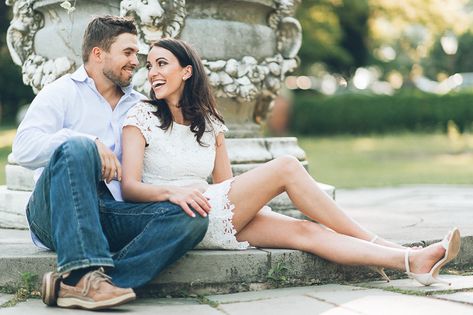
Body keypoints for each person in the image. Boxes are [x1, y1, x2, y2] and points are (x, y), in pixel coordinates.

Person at [121, 38, 461, 288]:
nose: (152, 72)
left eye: (161, 63)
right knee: (286, 165)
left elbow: (227, 188)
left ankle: (410, 260)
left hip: (215, 209)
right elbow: (130, 187)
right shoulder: (141, 117)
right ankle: (377, 241)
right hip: (178, 217)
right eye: (149, 65)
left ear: (186, 71)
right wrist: (172, 193)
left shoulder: (210, 124)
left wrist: (263, 210)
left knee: (307, 230)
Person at [12, 17, 208, 311]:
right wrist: (89, 141)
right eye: (128, 52)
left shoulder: (141, 106)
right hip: (53, 211)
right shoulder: (61, 92)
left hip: (109, 211)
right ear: (98, 54)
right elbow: (23, 149)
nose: (136, 61)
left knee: (192, 217)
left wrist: (174, 192)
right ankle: (81, 272)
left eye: (136, 54)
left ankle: (89, 283)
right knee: (77, 147)